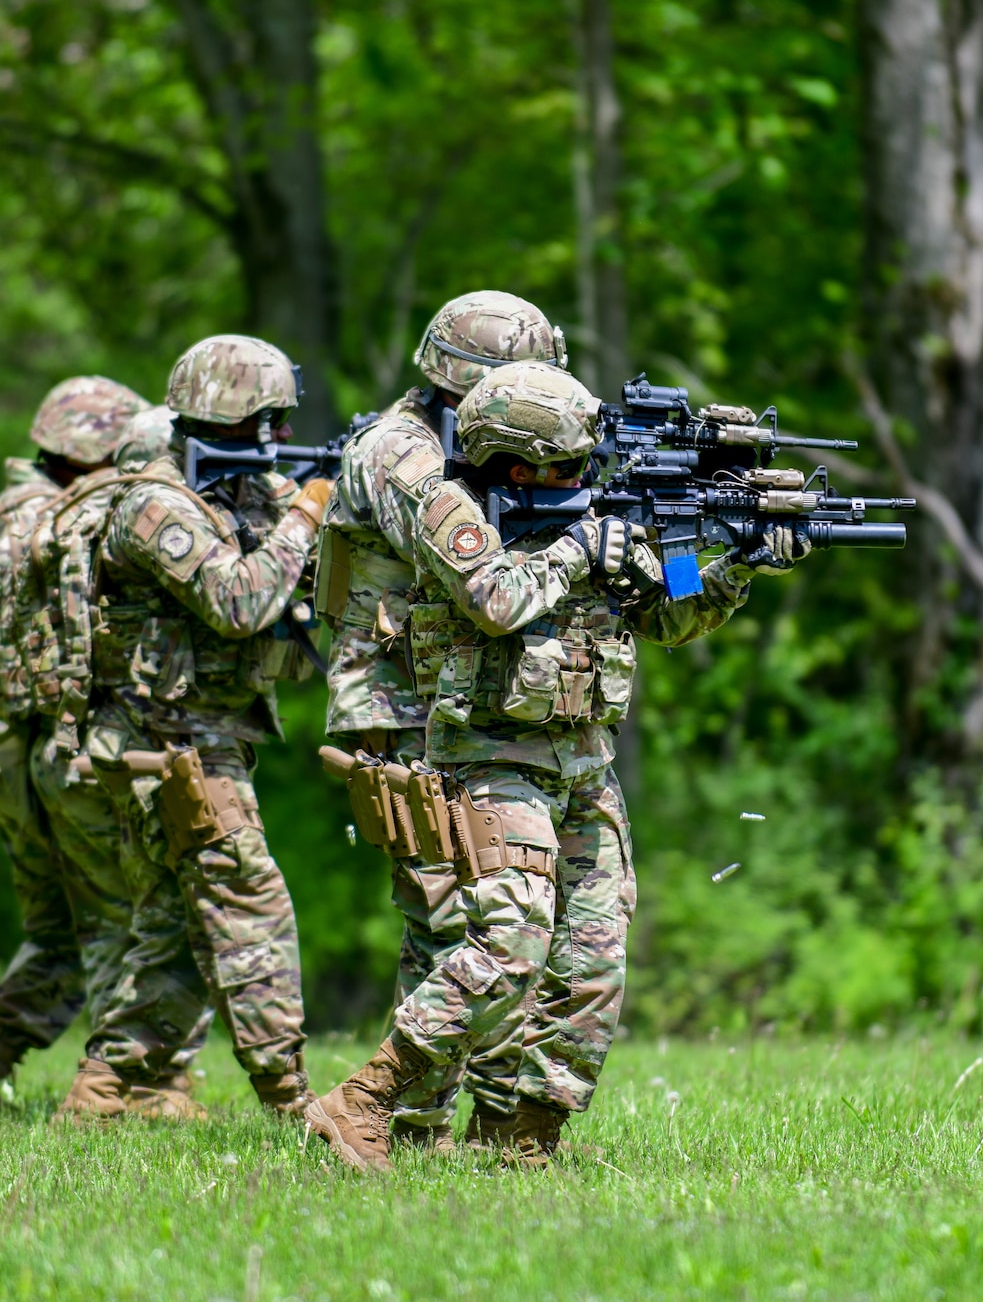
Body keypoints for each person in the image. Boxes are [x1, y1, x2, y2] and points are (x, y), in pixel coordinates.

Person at [306, 361, 810, 1172]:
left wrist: (738, 566)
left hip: (585, 764)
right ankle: (364, 1098)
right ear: (518, 464)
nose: (580, 478)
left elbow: (667, 610)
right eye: (565, 466)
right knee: (510, 939)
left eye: (583, 465)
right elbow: (493, 600)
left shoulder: (601, 518)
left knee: (592, 962)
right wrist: (581, 546)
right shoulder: (452, 507)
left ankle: (523, 1136)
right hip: (491, 757)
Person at [316, 291, 567, 1149]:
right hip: (397, 707)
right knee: (455, 914)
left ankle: (445, 1122)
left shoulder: (461, 452)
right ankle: (400, 1114)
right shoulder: (402, 456)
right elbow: (487, 584)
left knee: (465, 914)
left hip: (447, 696)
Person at [59, 334, 333, 1120]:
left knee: (176, 931)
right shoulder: (155, 500)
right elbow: (239, 601)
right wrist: (307, 514)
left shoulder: (240, 493)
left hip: (196, 739)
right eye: (266, 424)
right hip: (167, 745)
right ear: (228, 417)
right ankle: (291, 1099)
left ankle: (104, 1090)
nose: (277, 440)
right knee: (252, 906)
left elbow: (303, 583)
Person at [0, 379, 178, 1109]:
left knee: (56, 922)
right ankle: (126, 1082)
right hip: (50, 741)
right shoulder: (66, 518)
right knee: (116, 916)